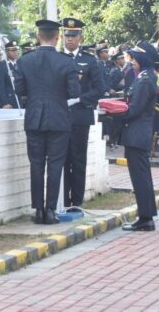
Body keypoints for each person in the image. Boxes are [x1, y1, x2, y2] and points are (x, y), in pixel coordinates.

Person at [13, 19, 80, 225]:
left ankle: (38, 210)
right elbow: (74, 92)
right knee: (55, 164)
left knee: (36, 164)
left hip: (34, 118)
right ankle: (51, 210)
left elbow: (19, 90)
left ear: (38, 36)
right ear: (58, 37)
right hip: (59, 119)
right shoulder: (66, 62)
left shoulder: (25, 60)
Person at [60, 17, 103, 209]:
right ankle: (64, 200)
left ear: (80, 37)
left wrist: (79, 99)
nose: (70, 39)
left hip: (80, 115)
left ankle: (76, 202)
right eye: (67, 35)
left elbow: (99, 88)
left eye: (73, 36)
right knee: (62, 160)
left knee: (78, 159)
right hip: (60, 116)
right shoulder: (57, 58)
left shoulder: (89, 61)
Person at [121, 43, 158, 232]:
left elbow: (134, 109)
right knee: (141, 176)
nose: (132, 62)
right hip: (138, 133)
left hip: (137, 133)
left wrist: (114, 112)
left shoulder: (144, 80)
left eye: (134, 58)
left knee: (140, 177)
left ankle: (145, 218)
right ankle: (146, 216)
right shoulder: (145, 77)